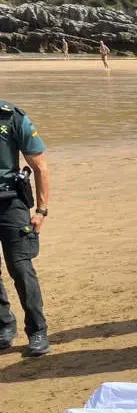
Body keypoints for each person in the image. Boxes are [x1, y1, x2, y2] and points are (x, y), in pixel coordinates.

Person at [0, 101, 51, 357]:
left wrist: (41, 211)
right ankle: (4, 326)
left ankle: (37, 330)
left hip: (10, 203)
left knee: (20, 268)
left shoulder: (12, 118)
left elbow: (39, 165)